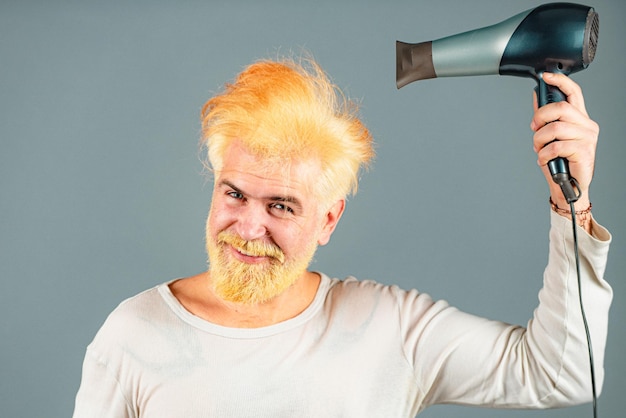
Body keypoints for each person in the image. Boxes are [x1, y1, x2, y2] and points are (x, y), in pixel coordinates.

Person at [73, 56, 612, 417]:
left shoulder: (390, 329)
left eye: (281, 205)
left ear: (329, 220)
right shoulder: (131, 336)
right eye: (234, 194)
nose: (249, 227)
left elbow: (564, 374)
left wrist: (573, 207)